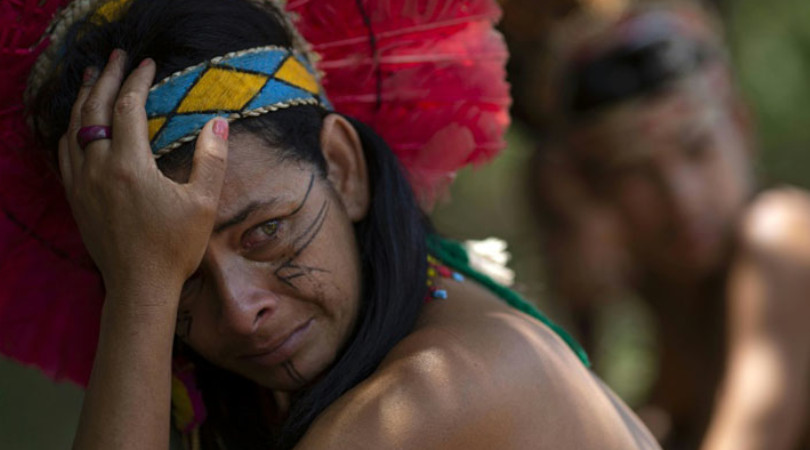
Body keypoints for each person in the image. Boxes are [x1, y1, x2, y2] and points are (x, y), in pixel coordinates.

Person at [3, 0, 660, 448]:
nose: (239, 312)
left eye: (264, 232)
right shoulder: (427, 314)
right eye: (180, 276)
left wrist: (140, 288)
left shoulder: (433, 391)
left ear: (343, 168)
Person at [531, 2, 810, 449]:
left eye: (697, 149)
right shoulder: (677, 299)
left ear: (742, 126)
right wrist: (581, 300)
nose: (682, 198)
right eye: (637, 173)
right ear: (598, 192)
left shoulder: (781, 236)